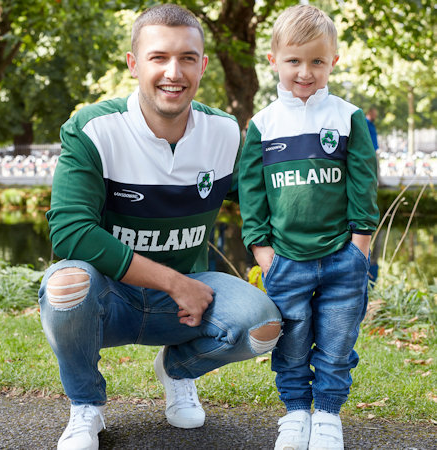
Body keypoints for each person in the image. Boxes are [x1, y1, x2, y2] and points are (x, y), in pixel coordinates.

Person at [39, 5, 282, 450]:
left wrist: (321, 239)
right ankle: (86, 406)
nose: (174, 72)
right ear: (134, 63)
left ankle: (178, 370)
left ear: (203, 65)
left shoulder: (225, 132)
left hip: (187, 303)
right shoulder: (93, 130)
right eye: (159, 57)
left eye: (188, 58)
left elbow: (263, 200)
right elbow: (70, 232)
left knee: (262, 325)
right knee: (66, 283)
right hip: (110, 297)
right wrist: (173, 282)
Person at [238, 5, 379, 450]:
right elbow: (252, 191)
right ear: (274, 61)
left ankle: (329, 417)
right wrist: (262, 251)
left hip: (342, 257)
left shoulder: (349, 117)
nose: (305, 71)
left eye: (317, 61)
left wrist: (360, 246)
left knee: (338, 343)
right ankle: (296, 413)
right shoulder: (262, 125)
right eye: (294, 61)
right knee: (292, 343)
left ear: (333, 62)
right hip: (286, 260)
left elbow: (363, 185)